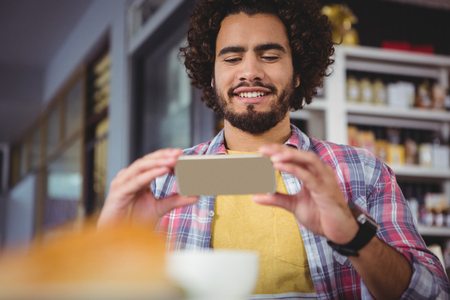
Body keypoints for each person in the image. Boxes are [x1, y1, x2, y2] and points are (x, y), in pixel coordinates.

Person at [98, 0, 450, 298]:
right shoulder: (164, 183)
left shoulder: (362, 171)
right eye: (232, 59)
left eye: (269, 55)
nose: (249, 72)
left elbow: (434, 292)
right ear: (211, 74)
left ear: (297, 73)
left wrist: (355, 235)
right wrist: (112, 241)